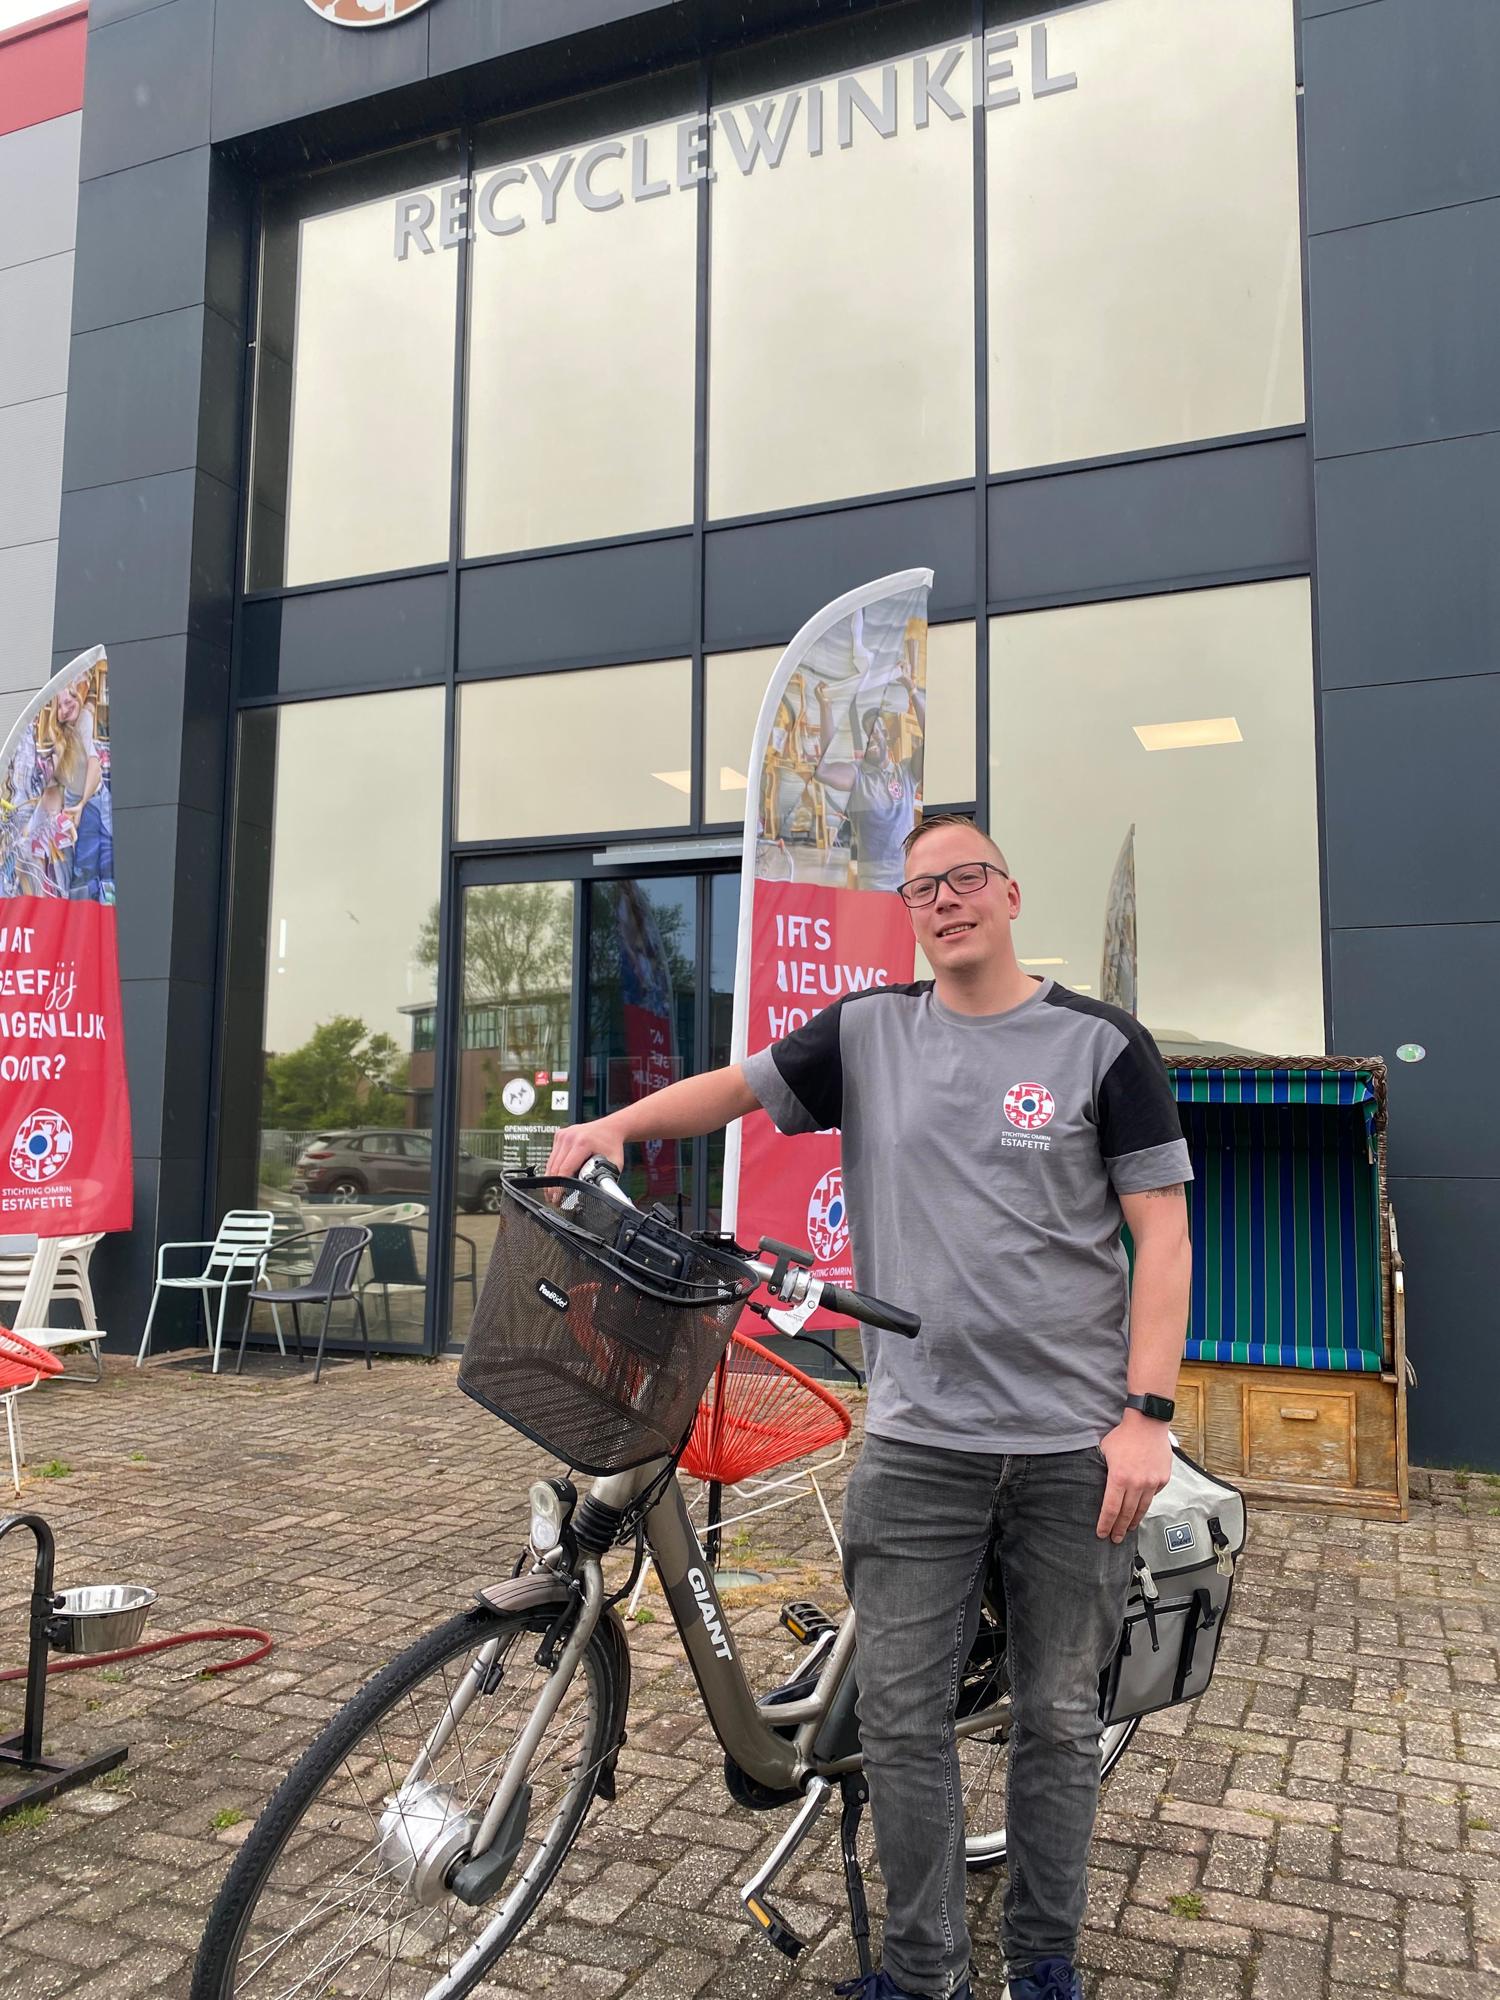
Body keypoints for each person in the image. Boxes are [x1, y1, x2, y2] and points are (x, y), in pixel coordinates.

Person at [547, 814, 1192, 2000]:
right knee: (900, 1720)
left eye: (965, 879)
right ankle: (924, 1968)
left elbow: (1163, 1234)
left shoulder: (1101, 1045)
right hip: (918, 1441)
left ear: (1007, 890)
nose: (945, 901)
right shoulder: (867, 1031)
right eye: (921, 887)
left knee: (1054, 1716)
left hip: (1069, 1445)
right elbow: (732, 1089)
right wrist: (612, 1126)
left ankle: (1043, 1962)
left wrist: (1145, 1414)